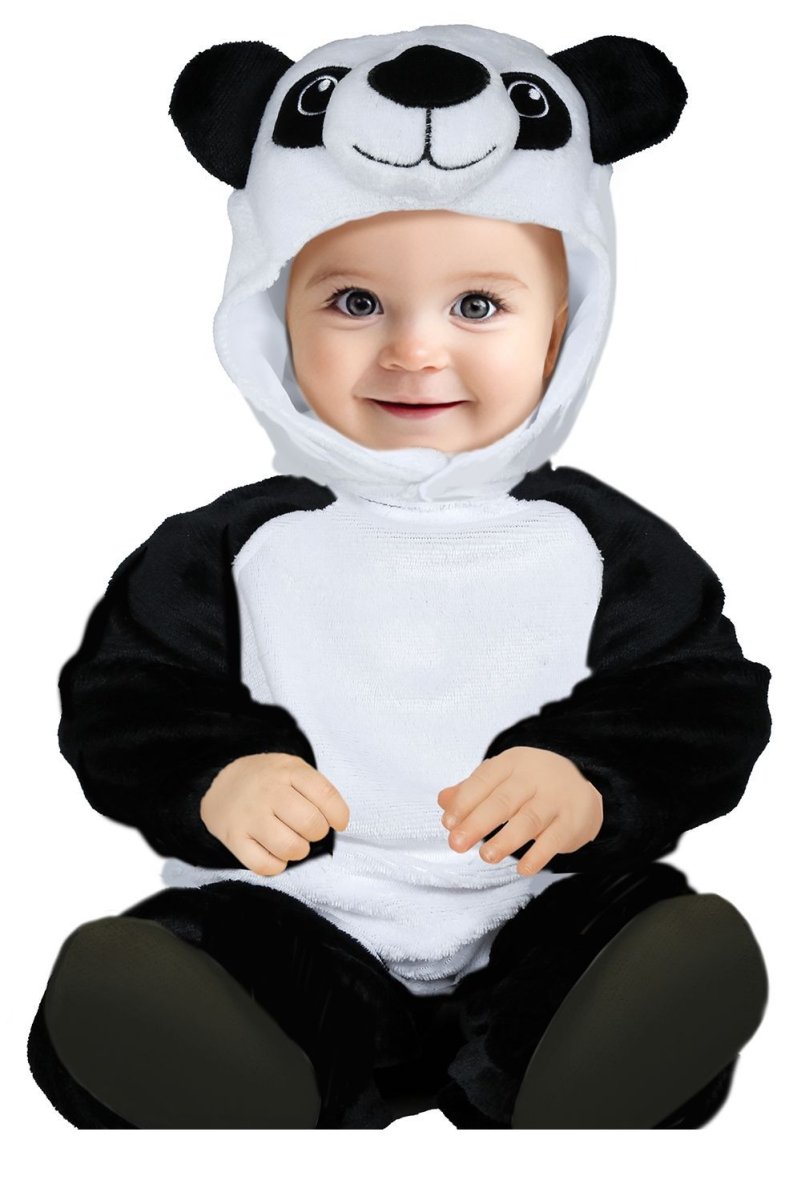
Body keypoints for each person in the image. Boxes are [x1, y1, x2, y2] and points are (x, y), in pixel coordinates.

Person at [27, 25, 771, 1130]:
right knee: (176, 962)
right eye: (354, 303)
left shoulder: (602, 544)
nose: (415, 352)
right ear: (272, 312)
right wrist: (215, 775)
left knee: (647, 930)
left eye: (477, 307)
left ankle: (573, 1069)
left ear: (562, 328)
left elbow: (701, 700)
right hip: (300, 926)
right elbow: (125, 697)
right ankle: (250, 1070)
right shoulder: (226, 548)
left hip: (536, 923)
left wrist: (591, 776)